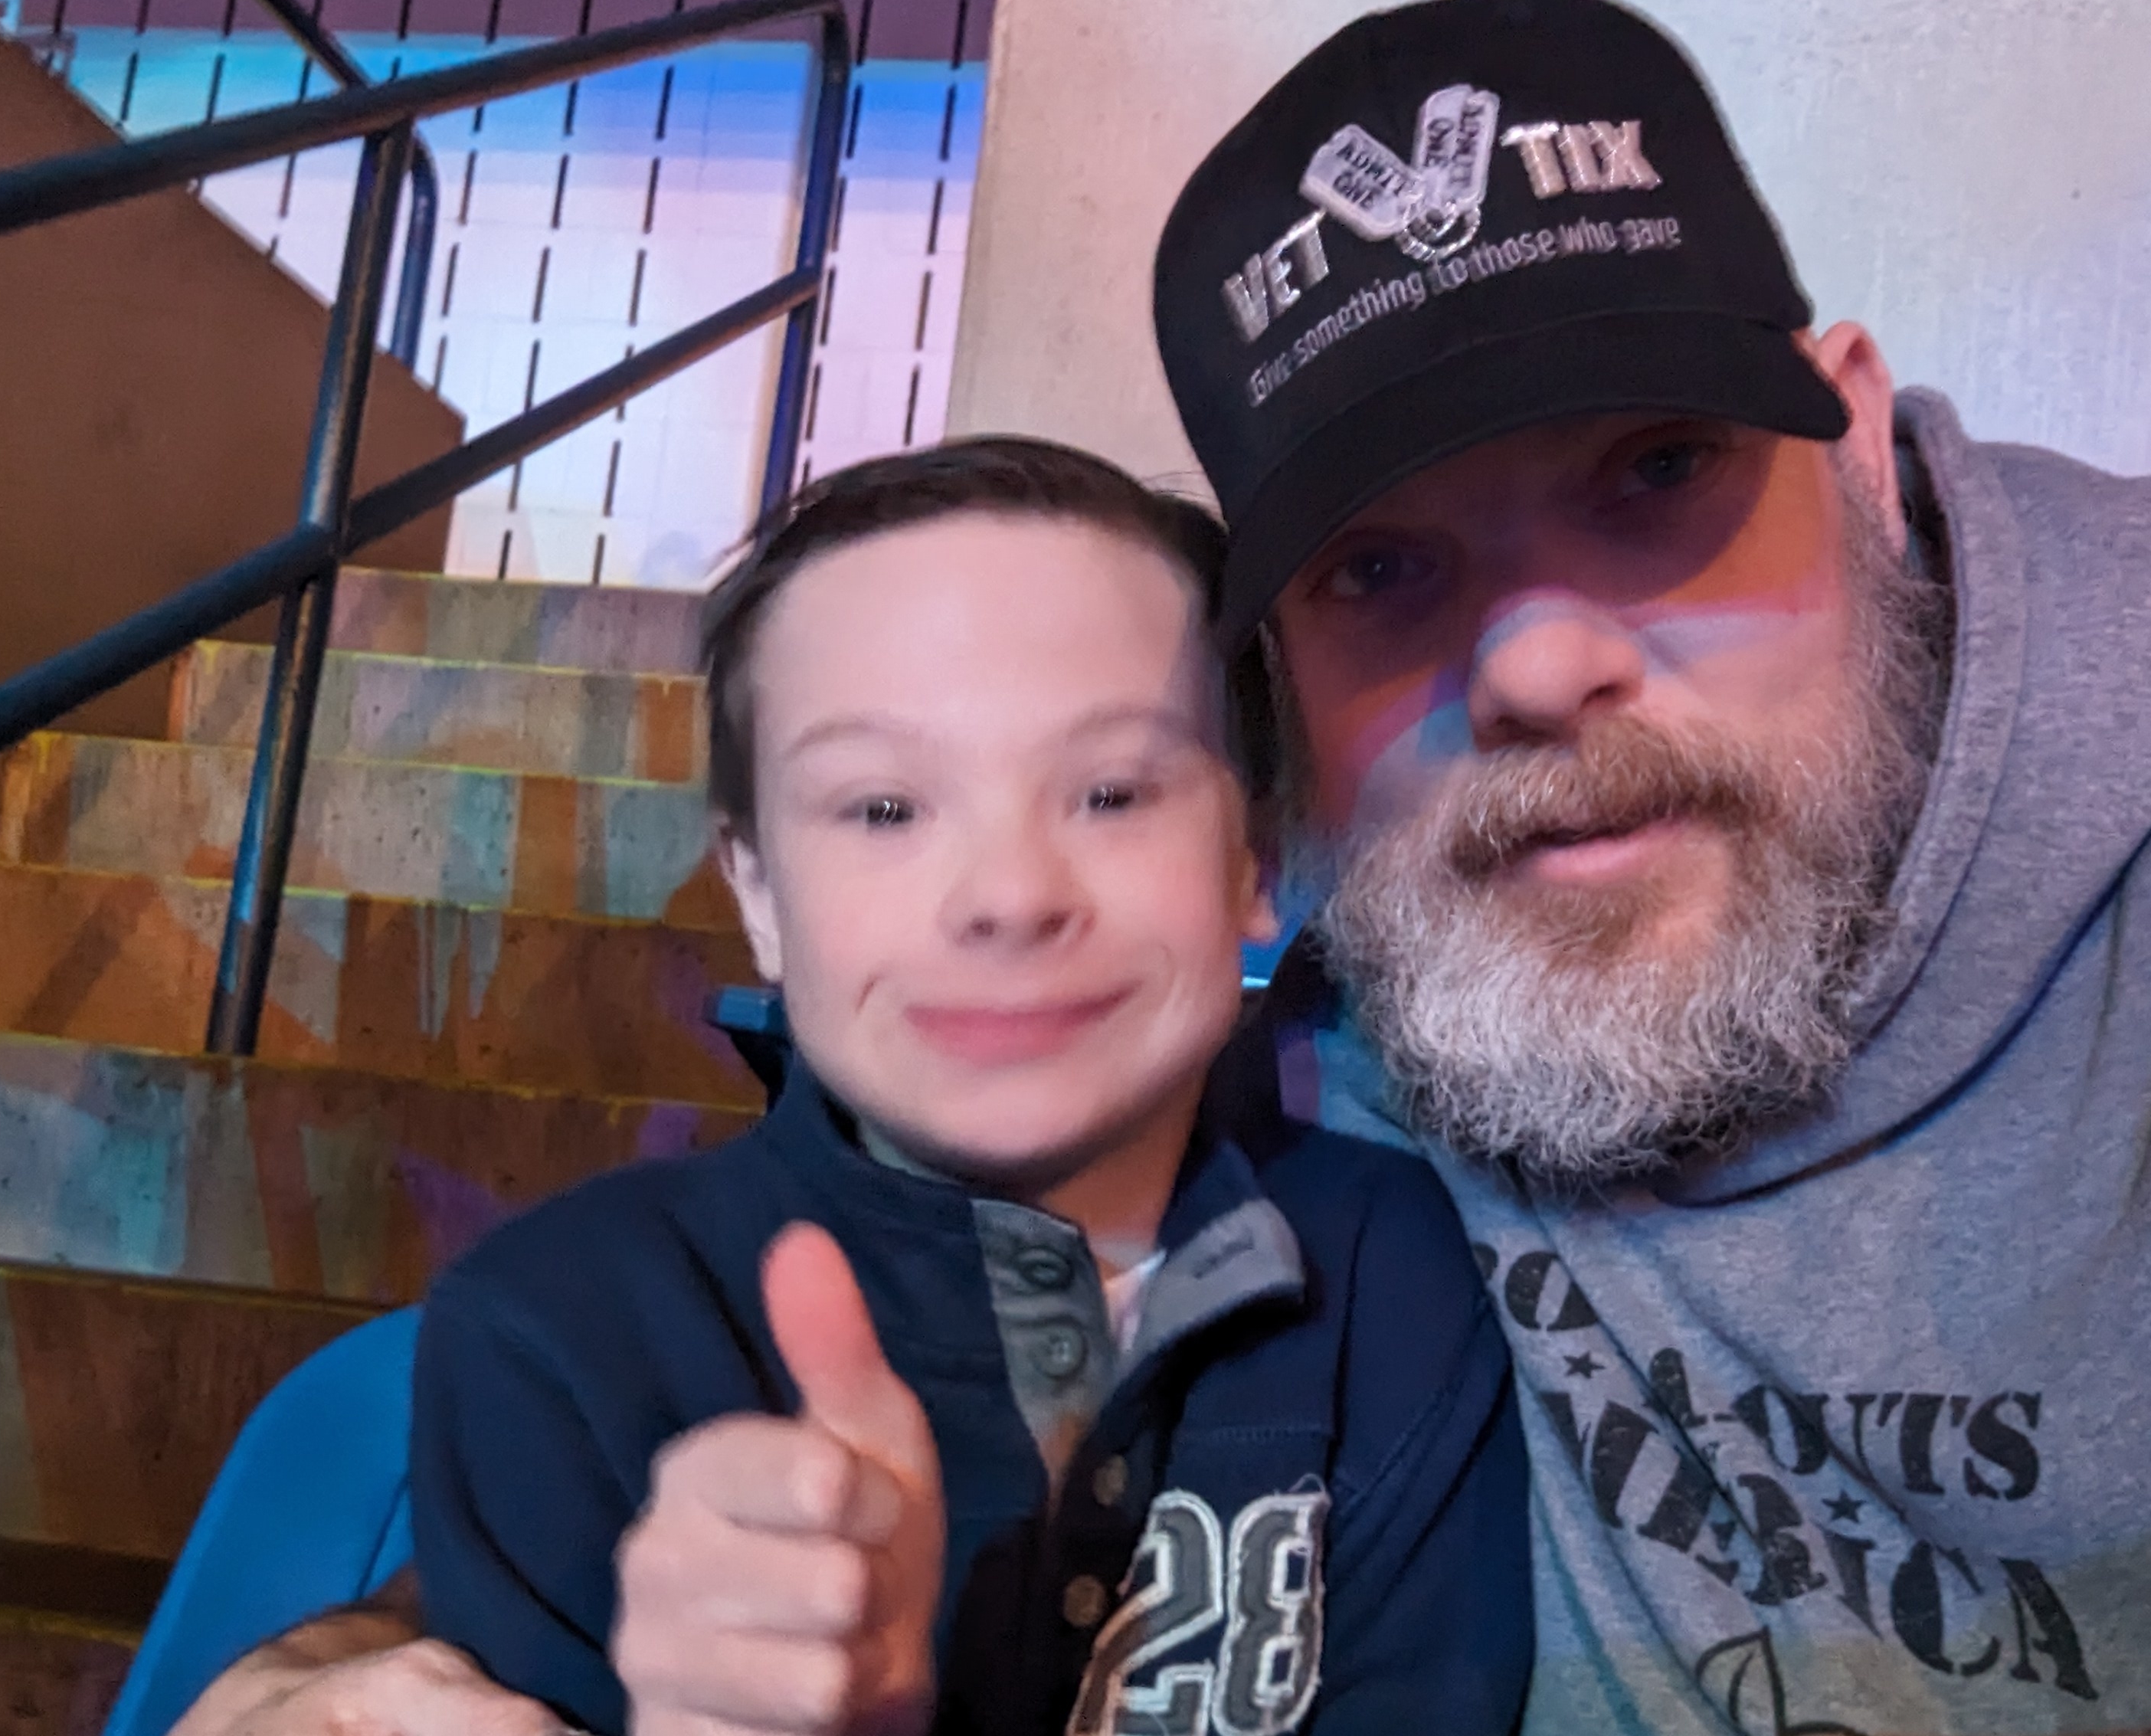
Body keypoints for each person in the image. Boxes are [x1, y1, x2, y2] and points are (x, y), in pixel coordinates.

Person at [171, 0, 2151, 1736]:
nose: (1537, 663)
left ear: (1848, 441)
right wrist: (376, 1660)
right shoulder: (1354, 1037)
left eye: (1652, 475)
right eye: (1385, 573)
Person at [393, 438, 1527, 1736]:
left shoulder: (1395, 1272)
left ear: (1254, 862)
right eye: (883, 810)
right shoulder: (555, 1337)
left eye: (1112, 792)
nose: (1010, 896)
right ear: (755, 887)